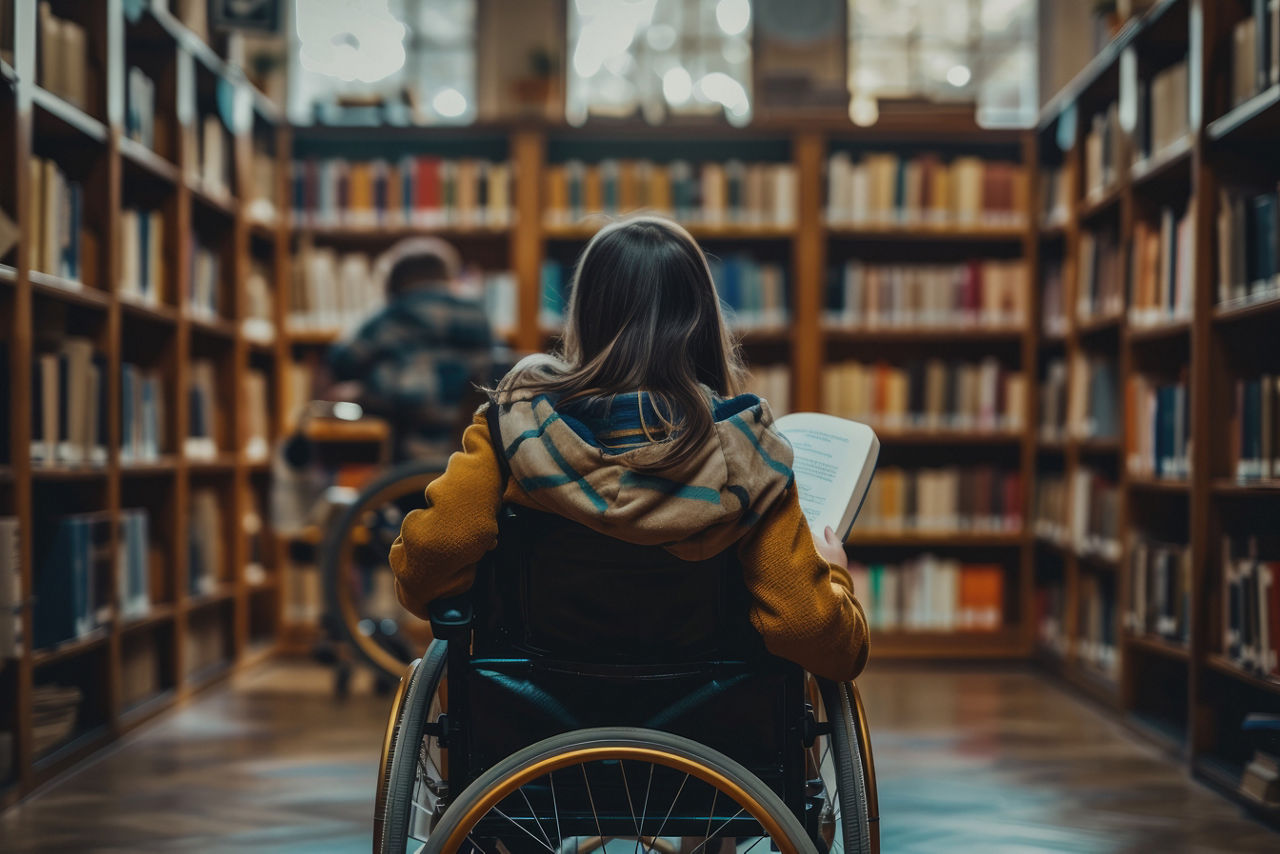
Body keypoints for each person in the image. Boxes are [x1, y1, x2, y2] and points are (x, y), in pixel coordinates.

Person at [389, 216, 869, 682]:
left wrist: (474, 597)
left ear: (585, 315)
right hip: (709, 735)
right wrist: (834, 574)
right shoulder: (750, 457)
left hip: (533, 723)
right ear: (703, 321)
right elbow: (808, 631)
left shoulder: (511, 427)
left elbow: (440, 551)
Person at [326, 238, 496, 461]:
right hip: (471, 454)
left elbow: (340, 360)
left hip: (405, 456)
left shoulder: (390, 317)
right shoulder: (478, 315)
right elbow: (496, 364)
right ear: (447, 276)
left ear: (394, 283)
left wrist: (363, 391)